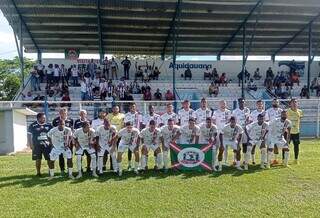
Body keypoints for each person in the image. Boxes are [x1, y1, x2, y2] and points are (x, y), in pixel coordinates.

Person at [27, 112, 53, 177]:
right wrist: (31, 144)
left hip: (47, 145)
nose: (44, 119)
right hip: (36, 145)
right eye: (43, 118)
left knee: (49, 159)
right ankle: (38, 173)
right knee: (38, 159)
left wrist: (52, 144)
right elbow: (29, 135)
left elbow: (53, 134)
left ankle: (50, 172)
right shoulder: (32, 125)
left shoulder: (49, 125)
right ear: (38, 118)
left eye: (44, 118)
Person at [52, 108, 74, 176]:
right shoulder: (55, 120)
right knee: (61, 156)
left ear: (66, 113)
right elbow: (53, 131)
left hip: (68, 141)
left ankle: (69, 169)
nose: (62, 114)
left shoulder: (71, 120)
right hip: (59, 142)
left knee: (69, 155)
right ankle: (62, 170)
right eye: (61, 112)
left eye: (64, 113)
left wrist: (70, 141)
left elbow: (72, 131)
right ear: (59, 113)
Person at [124, 103, 142, 170]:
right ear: (129, 107)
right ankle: (129, 165)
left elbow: (141, 124)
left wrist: (140, 134)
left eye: (133, 106)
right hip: (129, 134)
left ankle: (138, 165)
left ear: (135, 107)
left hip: (137, 134)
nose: (132, 108)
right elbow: (125, 124)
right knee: (129, 149)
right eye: (131, 107)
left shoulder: (139, 114)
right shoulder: (127, 115)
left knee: (137, 149)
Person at [232, 98, 250, 165]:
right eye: (240, 102)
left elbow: (248, 119)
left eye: (243, 102)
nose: (242, 103)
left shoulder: (247, 110)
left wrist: (247, 124)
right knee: (236, 145)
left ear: (244, 103)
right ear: (238, 103)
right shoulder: (235, 111)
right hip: (238, 130)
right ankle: (234, 160)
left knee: (245, 144)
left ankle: (245, 160)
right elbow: (233, 121)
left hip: (245, 130)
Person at [287, 98, 303, 164]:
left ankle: (296, 160)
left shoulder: (300, 111)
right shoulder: (287, 111)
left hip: (296, 132)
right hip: (288, 132)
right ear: (290, 104)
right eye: (293, 102)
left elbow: (300, 118)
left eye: (295, 102)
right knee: (286, 146)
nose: (294, 103)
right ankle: (284, 160)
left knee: (296, 146)